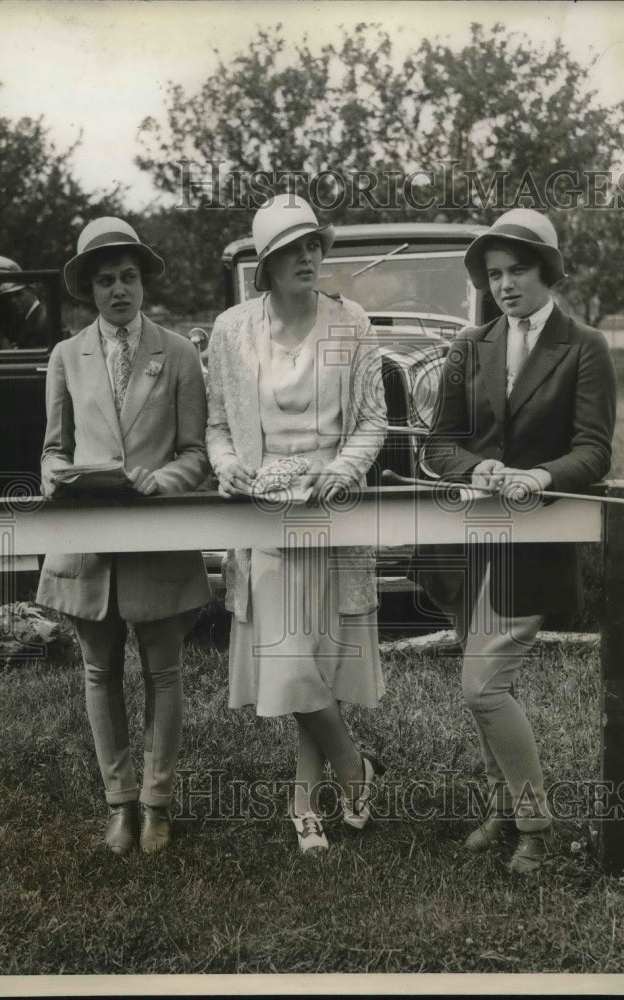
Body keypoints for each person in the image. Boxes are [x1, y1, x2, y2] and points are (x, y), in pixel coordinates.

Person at [419, 208, 616, 873]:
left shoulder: (584, 344)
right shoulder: (467, 346)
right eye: (493, 274)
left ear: (548, 272)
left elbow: (593, 452)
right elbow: (439, 445)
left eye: (517, 271)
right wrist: (476, 468)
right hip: (468, 545)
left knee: (481, 687)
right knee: (487, 686)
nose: (503, 285)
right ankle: (505, 807)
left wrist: (539, 475)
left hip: (534, 547)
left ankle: (533, 825)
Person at [206, 193, 388, 854]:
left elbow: (373, 419)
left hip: (330, 509)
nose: (307, 257)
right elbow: (218, 428)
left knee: (319, 661)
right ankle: (353, 768)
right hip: (263, 514)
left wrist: (341, 470)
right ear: (267, 263)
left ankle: (304, 806)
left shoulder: (351, 323)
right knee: (290, 664)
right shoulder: (231, 329)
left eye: (313, 244)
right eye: (291, 249)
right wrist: (227, 467)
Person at [36, 217, 211, 856]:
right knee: (97, 669)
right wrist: (59, 475)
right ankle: (118, 804)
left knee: (164, 672)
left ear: (143, 284)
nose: (119, 290)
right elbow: (53, 451)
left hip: (157, 534)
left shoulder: (181, 353)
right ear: (88, 289)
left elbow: (196, 454)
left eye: (129, 277)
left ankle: (157, 804)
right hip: (89, 540)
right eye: (106, 279)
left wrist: (161, 481)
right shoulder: (65, 355)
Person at [0, 281, 49, 348]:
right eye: (10, 296)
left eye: (18, 294)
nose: (13, 301)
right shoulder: (22, 318)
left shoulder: (43, 318)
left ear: (32, 291)